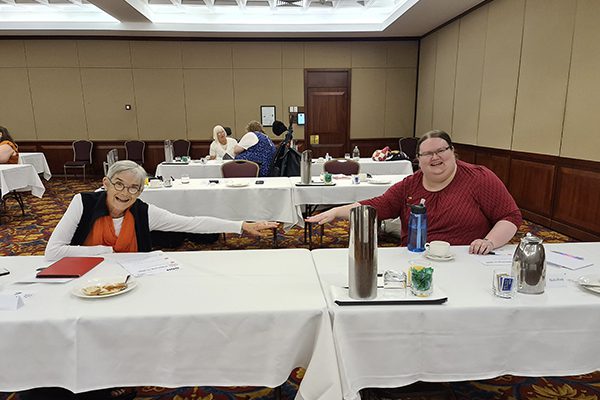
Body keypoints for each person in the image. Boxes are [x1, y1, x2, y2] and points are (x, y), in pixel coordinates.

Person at [306, 130, 522, 255]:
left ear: (453, 152)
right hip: (415, 260)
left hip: (465, 259)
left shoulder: (479, 178)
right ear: (418, 159)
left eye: (441, 151)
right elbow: (380, 204)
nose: (435, 158)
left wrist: (489, 242)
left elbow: (509, 216)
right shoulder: (410, 184)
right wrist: (337, 211)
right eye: (427, 154)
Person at [45, 160, 278, 261]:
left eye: (134, 188)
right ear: (105, 183)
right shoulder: (82, 203)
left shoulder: (143, 212)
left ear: (140, 191)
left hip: (130, 280)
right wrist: (105, 253)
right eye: (119, 184)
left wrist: (241, 226)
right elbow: (53, 252)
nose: (125, 193)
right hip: (83, 276)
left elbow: (192, 223)